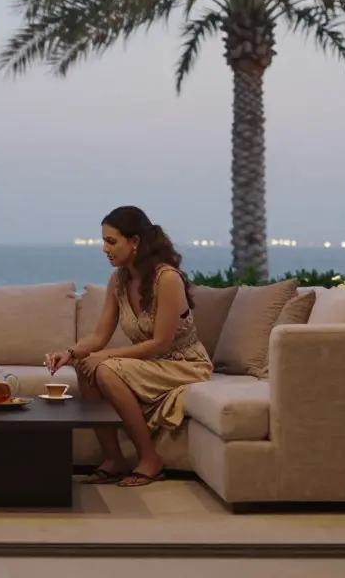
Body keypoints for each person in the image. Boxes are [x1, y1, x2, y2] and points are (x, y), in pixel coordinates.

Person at [45, 206, 213, 487]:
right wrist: (70, 353)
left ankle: (150, 459)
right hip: (153, 363)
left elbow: (160, 344)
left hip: (183, 364)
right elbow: (99, 336)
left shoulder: (167, 279)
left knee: (105, 368)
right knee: (86, 366)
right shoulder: (119, 280)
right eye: (104, 241)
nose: (104, 249)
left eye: (111, 241)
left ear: (135, 242)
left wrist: (105, 357)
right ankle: (114, 459)